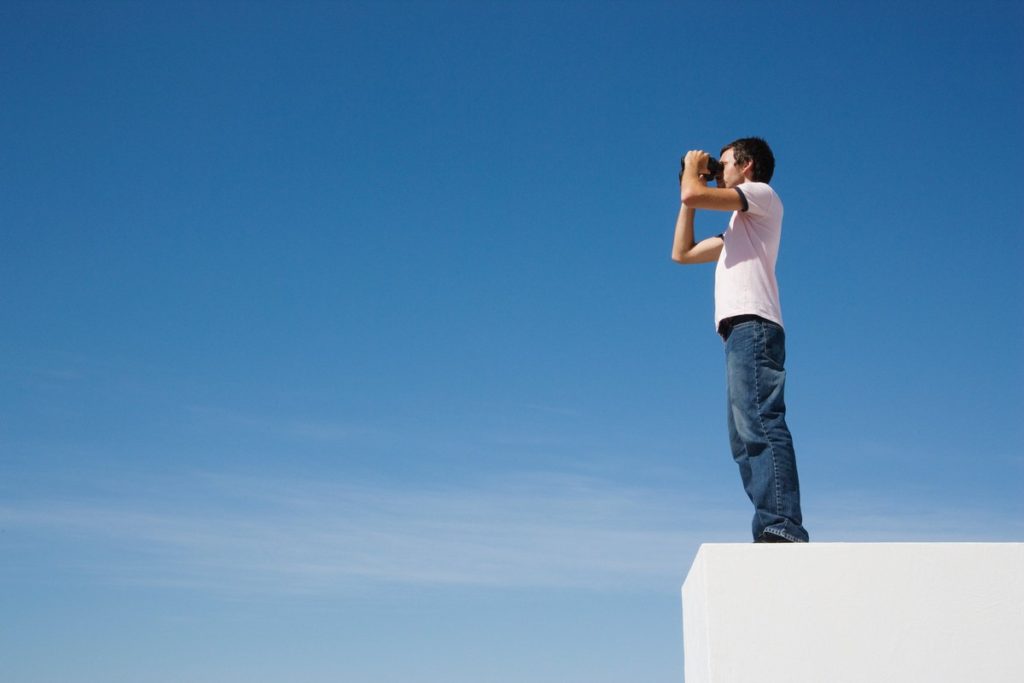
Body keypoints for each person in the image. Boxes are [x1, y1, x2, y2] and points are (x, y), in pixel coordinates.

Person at [671, 137, 809, 543]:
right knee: (742, 436)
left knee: (760, 423)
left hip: (754, 324)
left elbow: (697, 193)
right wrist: (689, 192)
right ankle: (770, 524)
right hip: (737, 331)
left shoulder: (761, 195)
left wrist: (694, 178)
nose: (720, 171)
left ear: (747, 167)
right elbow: (682, 253)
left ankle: (781, 525)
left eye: (725, 163)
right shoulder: (736, 230)